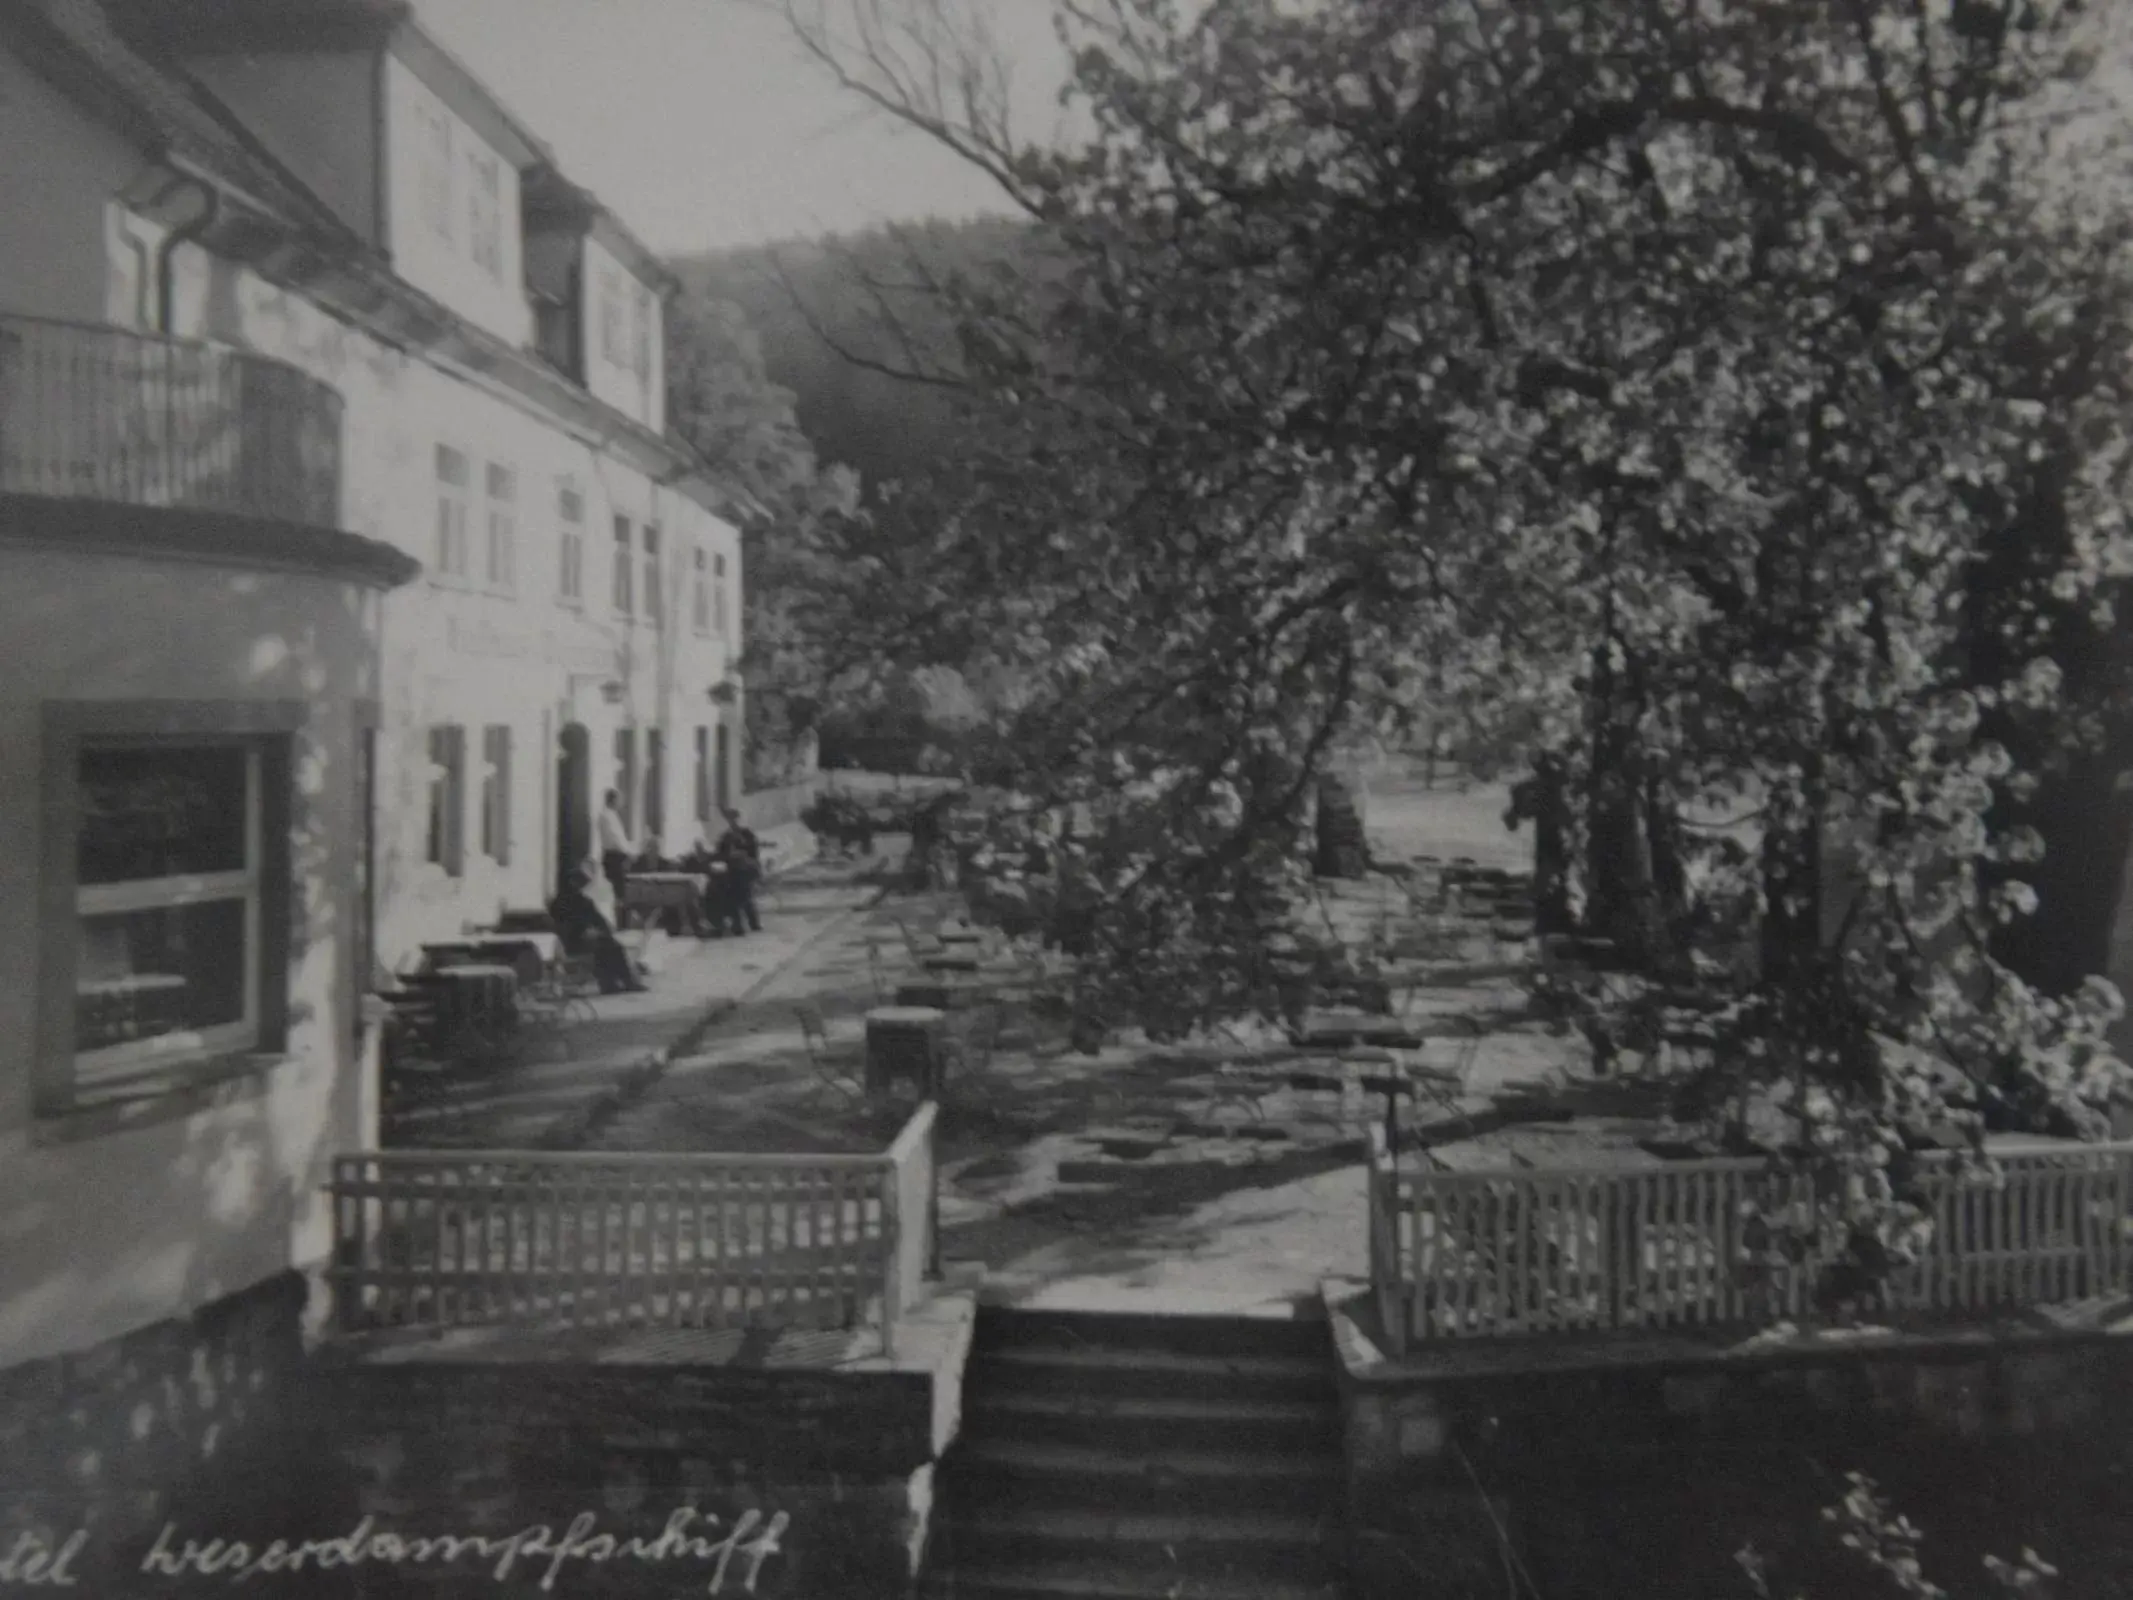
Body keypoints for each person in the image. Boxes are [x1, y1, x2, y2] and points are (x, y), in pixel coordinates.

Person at [547, 867, 645, 994]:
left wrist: (601, 930)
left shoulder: (584, 901)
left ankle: (617, 982)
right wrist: (583, 931)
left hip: (590, 937)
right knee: (603, 946)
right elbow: (564, 925)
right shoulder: (560, 903)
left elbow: (598, 919)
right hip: (572, 941)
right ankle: (612, 983)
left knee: (612, 945)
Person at [714, 806, 763, 935]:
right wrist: (728, 857)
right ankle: (738, 926)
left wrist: (744, 855)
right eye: (729, 819)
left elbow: (754, 851)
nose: (732, 822)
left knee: (746, 897)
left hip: (745, 869)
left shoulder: (746, 834)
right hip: (732, 870)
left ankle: (753, 923)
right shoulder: (725, 837)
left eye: (733, 819)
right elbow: (720, 853)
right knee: (733, 899)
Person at [596, 789, 635, 911]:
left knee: (618, 887)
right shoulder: (607, 816)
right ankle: (619, 916)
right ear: (613, 800)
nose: (620, 803)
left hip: (615, 854)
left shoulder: (611, 815)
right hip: (614, 855)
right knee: (618, 888)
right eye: (619, 800)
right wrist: (627, 851)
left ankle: (620, 914)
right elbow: (615, 838)